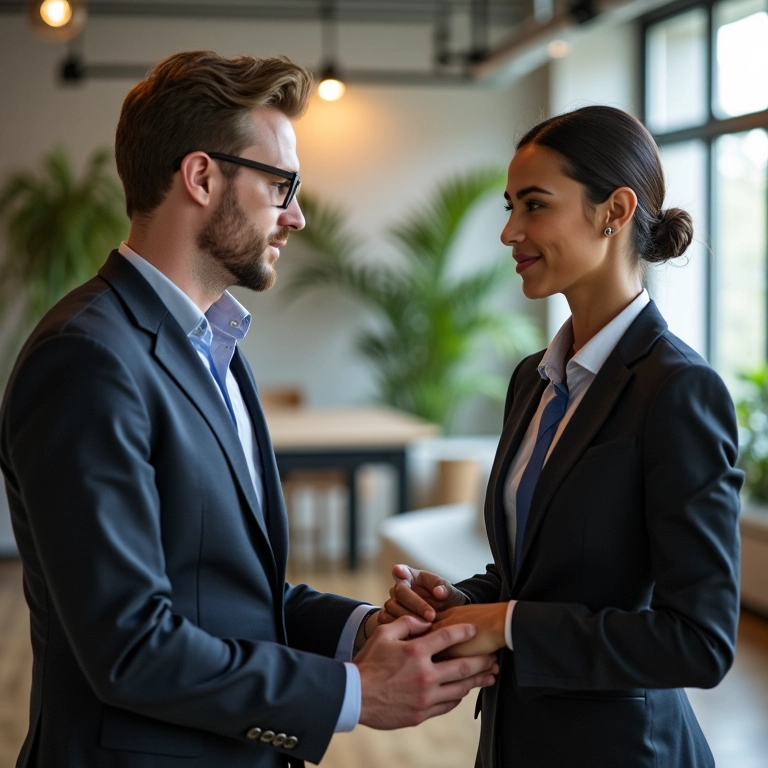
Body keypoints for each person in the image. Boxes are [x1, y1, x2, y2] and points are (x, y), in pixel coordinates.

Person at [0, 50, 499, 768]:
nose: (296, 215)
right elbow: (129, 645)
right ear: (202, 177)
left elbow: (226, 593)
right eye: (281, 185)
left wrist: (363, 629)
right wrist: (355, 694)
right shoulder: (87, 360)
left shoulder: (220, 346)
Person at [381, 105, 742, 767]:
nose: (509, 231)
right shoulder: (535, 380)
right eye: (510, 206)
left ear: (615, 210)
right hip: (515, 742)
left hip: (624, 752)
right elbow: (542, 573)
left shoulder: (679, 390)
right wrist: (462, 602)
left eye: (534, 206)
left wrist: (507, 624)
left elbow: (700, 641)